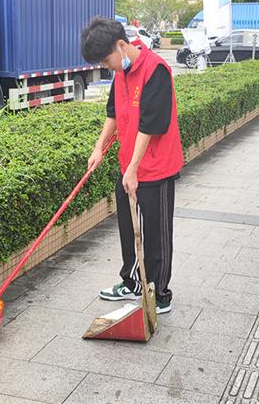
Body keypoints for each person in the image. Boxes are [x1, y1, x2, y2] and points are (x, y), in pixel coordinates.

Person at [81, 17, 183, 315]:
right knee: (128, 225)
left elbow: (151, 125)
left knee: (156, 232)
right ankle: (132, 282)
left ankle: (159, 292)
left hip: (156, 166)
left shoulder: (156, 71)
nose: (105, 66)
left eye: (106, 59)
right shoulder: (121, 72)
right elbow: (114, 113)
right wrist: (98, 148)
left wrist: (134, 168)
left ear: (121, 46)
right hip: (129, 163)